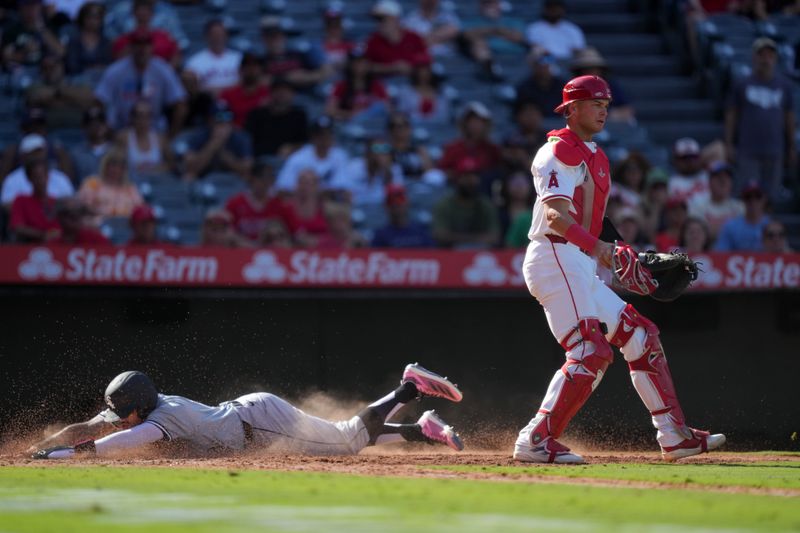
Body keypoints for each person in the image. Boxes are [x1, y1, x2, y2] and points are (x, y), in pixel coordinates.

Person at [513, 74, 725, 464]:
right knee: (589, 349)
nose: (603, 110)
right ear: (571, 108)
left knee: (642, 334)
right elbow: (556, 218)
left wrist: (622, 252)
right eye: (595, 103)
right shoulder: (558, 152)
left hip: (576, 259)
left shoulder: (593, 154)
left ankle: (674, 436)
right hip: (554, 254)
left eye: (606, 104)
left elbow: (591, 220)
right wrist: (604, 252)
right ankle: (536, 440)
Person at [28, 364, 464, 458]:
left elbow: (118, 440)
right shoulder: (153, 407)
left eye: (122, 412)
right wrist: (46, 444)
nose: (117, 418)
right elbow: (93, 424)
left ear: (139, 407)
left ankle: (407, 388)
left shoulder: (160, 420)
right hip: (256, 422)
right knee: (337, 436)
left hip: (260, 422)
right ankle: (417, 431)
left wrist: (67, 455)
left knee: (349, 440)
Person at [724, 37, 796, 201]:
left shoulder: (784, 86)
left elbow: (789, 117)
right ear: (754, 57)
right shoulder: (741, 84)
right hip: (748, 150)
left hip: (775, 149)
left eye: (770, 55)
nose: (766, 59)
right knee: (747, 194)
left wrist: (791, 145)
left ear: (775, 58)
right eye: (761, 55)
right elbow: (731, 114)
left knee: (770, 198)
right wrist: (728, 143)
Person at [95, 29, 187, 135]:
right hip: (121, 130)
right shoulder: (116, 70)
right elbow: (98, 101)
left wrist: (171, 135)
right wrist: (107, 131)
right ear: (131, 47)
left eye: (146, 45)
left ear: (152, 47)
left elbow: (180, 104)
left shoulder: (162, 69)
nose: (142, 49)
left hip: (154, 131)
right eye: (138, 45)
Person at [431, 157, 500, 248]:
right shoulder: (445, 205)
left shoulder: (486, 205)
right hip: (449, 256)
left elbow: (494, 237)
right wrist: (476, 238)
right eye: (465, 176)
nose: (470, 181)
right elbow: (440, 235)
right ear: (457, 179)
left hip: (481, 254)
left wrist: (456, 237)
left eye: (474, 176)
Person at [182, 101, 253, 181]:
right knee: (188, 176)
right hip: (204, 178)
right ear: (209, 120)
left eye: (227, 116)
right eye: (218, 117)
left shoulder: (241, 137)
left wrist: (222, 152)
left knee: (247, 177)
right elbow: (190, 167)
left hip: (231, 178)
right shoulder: (199, 135)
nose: (223, 121)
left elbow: (247, 168)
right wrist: (212, 145)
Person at [275, 116, 349, 192]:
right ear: (312, 137)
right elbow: (283, 186)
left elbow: (342, 187)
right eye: (320, 135)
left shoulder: (340, 156)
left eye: (328, 134)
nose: (324, 139)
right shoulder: (298, 157)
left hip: (329, 201)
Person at [438, 101, 502, 186]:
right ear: (464, 124)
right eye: (471, 121)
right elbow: (442, 172)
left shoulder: (492, 150)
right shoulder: (452, 148)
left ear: (486, 125)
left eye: (479, 122)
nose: (475, 125)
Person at [259, 16, 331, 90]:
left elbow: (326, 72)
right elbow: (261, 82)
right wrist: (285, 78)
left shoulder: (298, 55)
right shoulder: (261, 62)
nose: (274, 41)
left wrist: (307, 77)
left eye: (277, 35)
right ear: (264, 39)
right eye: (270, 37)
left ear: (283, 36)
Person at [2, 134, 74, 207]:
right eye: (33, 152)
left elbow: (71, 202)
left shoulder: (60, 177)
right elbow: (6, 205)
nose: (37, 155)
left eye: (40, 151)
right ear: (23, 155)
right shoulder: (12, 179)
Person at [460, 0, 526, 80]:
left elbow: (518, 37)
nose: (489, 6)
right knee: (478, 43)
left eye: (492, 2)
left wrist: (488, 31)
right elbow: (466, 35)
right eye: (486, 3)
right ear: (480, 5)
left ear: (499, 4)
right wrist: (496, 30)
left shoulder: (513, 21)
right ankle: (491, 69)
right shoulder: (472, 21)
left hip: (515, 54)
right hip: (487, 54)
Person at [244, 77, 308, 158]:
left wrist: (292, 147)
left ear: (293, 94)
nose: (282, 94)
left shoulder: (299, 115)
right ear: (270, 93)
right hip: (260, 160)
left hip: (289, 160)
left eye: (286, 90)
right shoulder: (256, 114)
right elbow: (247, 141)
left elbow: (305, 142)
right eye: (278, 90)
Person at [331, 137, 405, 206]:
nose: (381, 154)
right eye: (376, 148)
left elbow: (397, 199)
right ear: (368, 152)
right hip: (356, 210)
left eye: (385, 149)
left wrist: (387, 172)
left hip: (382, 211)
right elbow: (341, 192)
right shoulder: (354, 167)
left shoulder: (394, 169)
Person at [364, 0, 431, 77]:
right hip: (384, 85)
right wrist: (392, 68)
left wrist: (411, 67)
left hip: (412, 84)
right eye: (376, 20)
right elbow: (364, 67)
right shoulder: (373, 41)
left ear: (396, 19)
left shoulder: (414, 38)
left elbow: (426, 62)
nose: (378, 24)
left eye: (382, 19)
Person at [77, 148, 144, 223]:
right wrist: (103, 215)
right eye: (113, 165)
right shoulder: (92, 183)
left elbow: (139, 209)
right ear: (105, 166)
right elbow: (83, 206)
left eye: (120, 167)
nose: (116, 169)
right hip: (99, 223)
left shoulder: (130, 188)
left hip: (125, 224)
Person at [225, 162, 286, 242]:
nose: (265, 184)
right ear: (252, 179)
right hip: (240, 250)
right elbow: (228, 233)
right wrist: (250, 247)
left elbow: (285, 237)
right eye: (262, 179)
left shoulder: (278, 204)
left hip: (269, 251)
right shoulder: (235, 203)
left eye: (268, 179)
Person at [325, 47, 390, 122]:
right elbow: (330, 110)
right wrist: (351, 114)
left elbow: (387, 108)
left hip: (372, 124)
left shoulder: (377, 85)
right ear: (350, 64)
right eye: (356, 62)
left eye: (362, 62)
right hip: (349, 125)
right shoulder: (341, 85)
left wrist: (365, 114)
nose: (359, 66)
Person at [111, 0, 179, 67]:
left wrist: (165, 72)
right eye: (140, 11)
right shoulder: (123, 40)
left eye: (146, 11)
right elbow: (117, 62)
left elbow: (176, 56)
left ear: (152, 14)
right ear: (133, 13)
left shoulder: (164, 38)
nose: (143, 14)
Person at [8, 158, 62, 243]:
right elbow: (17, 227)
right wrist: (43, 235)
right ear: (29, 179)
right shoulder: (21, 201)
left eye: (43, 176)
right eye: (36, 177)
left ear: (48, 177)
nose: (40, 181)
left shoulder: (56, 202)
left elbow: (61, 230)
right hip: (28, 248)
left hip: (57, 248)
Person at [687, 160, 744, 239]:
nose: (723, 181)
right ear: (709, 182)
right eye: (718, 177)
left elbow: (742, 235)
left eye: (727, 177)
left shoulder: (739, 206)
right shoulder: (697, 204)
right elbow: (697, 234)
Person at [116, 100, 174, 176]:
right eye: (140, 116)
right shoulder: (123, 138)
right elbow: (117, 164)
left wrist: (155, 169)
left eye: (147, 116)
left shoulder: (160, 139)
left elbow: (171, 165)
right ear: (132, 118)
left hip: (156, 182)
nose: (143, 120)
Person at [184, 19, 241, 94]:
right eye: (214, 34)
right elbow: (193, 89)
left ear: (226, 35)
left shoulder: (238, 58)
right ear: (207, 36)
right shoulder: (194, 62)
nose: (218, 37)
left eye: (221, 34)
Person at [714, 181, 770, 251]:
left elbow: (783, 253)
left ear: (765, 199)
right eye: (748, 197)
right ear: (742, 200)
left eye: (758, 196)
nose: (753, 201)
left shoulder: (773, 226)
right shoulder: (730, 227)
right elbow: (720, 254)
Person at [219, 52, 271, 127]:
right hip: (234, 132)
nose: (251, 70)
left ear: (261, 70)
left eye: (255, 67)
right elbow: (221, 118)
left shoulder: (268, 93)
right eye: (248, 66)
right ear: (241, 70)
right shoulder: (227, 94)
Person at [64, 1, 112, 78]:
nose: (92, 21)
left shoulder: (106, 42)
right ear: (83, 18)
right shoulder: (74, 42)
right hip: (78, 81)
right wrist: (92, 69)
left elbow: (108, 64)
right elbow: (72, 66)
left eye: (96, 18)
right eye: (89, 17)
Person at [514, 49, 566, 116]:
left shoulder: (562, 85)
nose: (544, 66)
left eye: (548, 61)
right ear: (533, 65)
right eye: (540, 62)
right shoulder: (524, 88)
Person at [70, 105, 112, 183]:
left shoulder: (115, 151)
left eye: (100, 122)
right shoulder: (76, 153)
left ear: (106, 125)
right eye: (92, 123)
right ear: (84, 127)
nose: (97, 126)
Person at [668, 137, 710, 206]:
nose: (690, 161)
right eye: (684, 157)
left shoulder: (710, 175)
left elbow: (718, 147)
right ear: (675, 160)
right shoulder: (670, 183)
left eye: (693, 157)